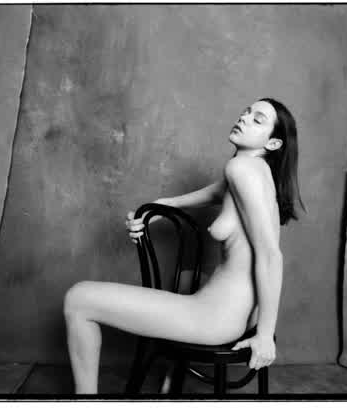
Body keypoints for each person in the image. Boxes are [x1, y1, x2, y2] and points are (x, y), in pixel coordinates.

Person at [63, 97, 305, 394]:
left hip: (217, 318)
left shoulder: (242, 168)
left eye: (257, 120)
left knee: (78, 299)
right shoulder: (257, 170)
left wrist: (265, 335)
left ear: (273, 143)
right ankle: (172, 382)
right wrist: (157, 209)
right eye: (246, 112)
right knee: (188, 276)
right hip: (238, 312)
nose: (244, 118)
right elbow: (213, 194)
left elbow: (270, 255)